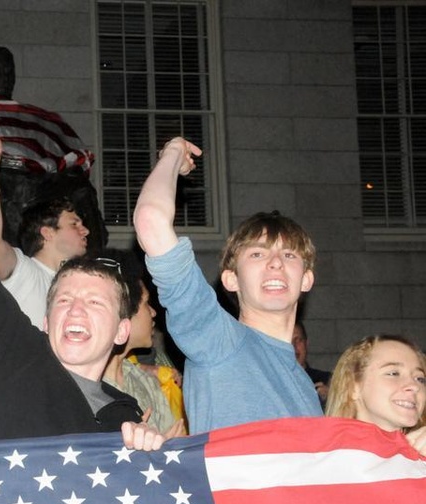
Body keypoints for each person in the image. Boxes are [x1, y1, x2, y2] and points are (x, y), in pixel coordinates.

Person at [0, 42, 170, 449]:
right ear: (47, 319)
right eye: (64, 300)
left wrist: (149, 456)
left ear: (122, 330)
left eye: (95, 302)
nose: (75, 309)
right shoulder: (15, 358)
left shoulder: (126, 419)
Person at [133, 137, 322, 433]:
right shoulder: (218, 338)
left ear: (306, 279)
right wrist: (173, 153)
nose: (276, 263)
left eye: (289, 255)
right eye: (258, 254)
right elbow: (151, 220)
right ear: (230, 279)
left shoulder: (305, 386)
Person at [0, 45, 107, 255]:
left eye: (8, 72)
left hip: (38, 180)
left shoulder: (36, 116)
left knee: (80, 188)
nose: (4, 78)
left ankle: (93, 261)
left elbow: (63, 152)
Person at [0, 136, 89, 328]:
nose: (85, 230)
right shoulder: (25, 273)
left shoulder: (72, 287)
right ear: (47, 233)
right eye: (74, 224)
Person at [101, 248, 184, 434]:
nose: (153, 313)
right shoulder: (85, 386)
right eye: (146, 303)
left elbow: (175, 441)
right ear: (125, 312)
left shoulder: (145, 382)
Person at [325, 335, 426, 455]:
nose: (414, 386)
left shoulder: (419, 458)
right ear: (353, 387)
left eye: (420, 379)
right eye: (393, 373)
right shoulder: (321, 457)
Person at [292, 321, 332, 408]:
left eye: (298, 340)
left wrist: (331, 400)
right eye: (288, 342)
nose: (293, 346)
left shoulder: (326, 380)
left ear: (306, 344)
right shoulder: (272, 383)